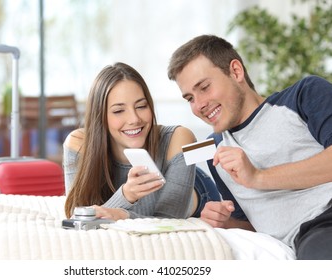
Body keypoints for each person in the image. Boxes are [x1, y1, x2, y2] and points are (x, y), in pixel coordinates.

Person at [167, 34, 332, 260]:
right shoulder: (215, 150)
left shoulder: (303, 95)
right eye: (190, 98)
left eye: (204, 87)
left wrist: (258, 177)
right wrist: (227, 222)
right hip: (303, 240)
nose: (199, 105)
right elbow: (252, 225)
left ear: (236, 71)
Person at [63, 62, 220, 221]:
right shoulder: (78, 143)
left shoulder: (179, 137)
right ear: (100, 117)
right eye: (118, 111)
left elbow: (168, 219)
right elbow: (76, 216)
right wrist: (126, 195)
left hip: (194, 189)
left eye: (141, 106)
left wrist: (121, 214)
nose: (134, 119)